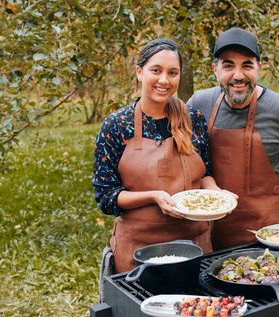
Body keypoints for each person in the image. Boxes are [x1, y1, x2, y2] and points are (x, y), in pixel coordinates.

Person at [188, 28, 279, 251]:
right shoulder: (199, 104)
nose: (238, 75)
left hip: (272, 238)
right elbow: (189, 157)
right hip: (213, 234)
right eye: (228, 65)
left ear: (259, 69)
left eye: (247, 65)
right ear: (214, 69)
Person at [92, 38, 221, 273]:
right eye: (156, 71)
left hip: (195, 244)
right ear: (139, 72)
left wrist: (216, 194)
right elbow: (106, 197)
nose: (164, 80)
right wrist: (153, 196)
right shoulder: (117, 125)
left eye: (173, 73)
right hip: (139, 250)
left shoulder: (194, 119)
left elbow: (205, 174)